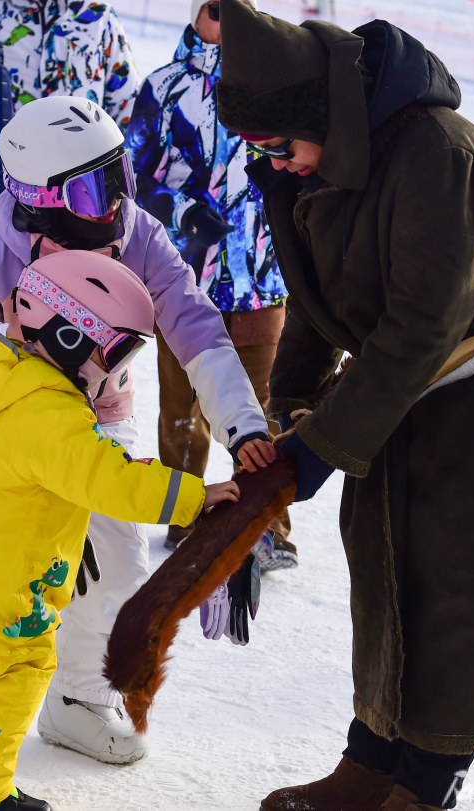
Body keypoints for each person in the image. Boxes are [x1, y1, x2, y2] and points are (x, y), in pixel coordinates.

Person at [215, 1, 474, 809]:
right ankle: (370, 761)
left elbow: (422, 325)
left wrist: (321, 447)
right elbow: (313, 301)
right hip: (393, 403)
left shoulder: (442, 154)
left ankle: (427, 786)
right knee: (390, 583)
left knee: (462, 605)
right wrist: (291, 408)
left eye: (276, 144)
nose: (275, 162)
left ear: (318, 112)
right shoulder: (317, 162)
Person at [0, 94, 276, 765]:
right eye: (90, 191)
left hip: (101, 426)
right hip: (9, 442)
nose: (111, 204)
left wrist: (243, 425)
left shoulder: (136, 233)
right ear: (38, 197)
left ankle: (78, 700)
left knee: (118, 565)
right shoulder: (2, 251)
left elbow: (194, 323)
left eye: (117, 178)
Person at [0, 249, 241, 811]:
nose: (114, 374)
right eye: (115, 354)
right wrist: (194, 495)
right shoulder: (51, 415)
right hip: (5, 592)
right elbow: (110, 479)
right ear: (71, 337)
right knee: (9, 679)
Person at [126, 0, 296, 567]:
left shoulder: (277, 86)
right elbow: (130, 176)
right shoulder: (164, 86)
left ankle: (266, 524)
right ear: (198, 14)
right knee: (183, 406)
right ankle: (186, 511)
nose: (227, 22)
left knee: (265, 404)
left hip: (263, 277)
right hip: (183, 278)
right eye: (217, 9)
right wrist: (181, 212)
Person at [0, 0, 140, 129]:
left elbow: (127, 104)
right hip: (7, 169)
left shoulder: (100, 17)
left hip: (83, 170)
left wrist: (114, 171)